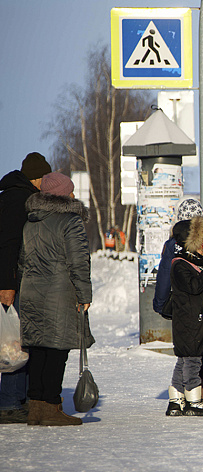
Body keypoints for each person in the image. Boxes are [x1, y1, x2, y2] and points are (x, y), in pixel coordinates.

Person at [18, 172, 92, 426]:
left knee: (38, 348)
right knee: (57, 349)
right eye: (70, 190)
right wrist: (84, 294)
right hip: (59, 293)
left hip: (31, 292)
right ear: (63, 193)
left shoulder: (30, 221)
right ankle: (51, 405)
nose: (73, 194)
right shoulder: (70, 222)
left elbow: (21, 262)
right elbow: (79, 261)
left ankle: (36, 407)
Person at [154, 198, 203, 408]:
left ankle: (190, 395)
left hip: (186, 306)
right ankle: (199, 393)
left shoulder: (173, 245)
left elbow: (165, 276)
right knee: (196, 350)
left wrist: (161, 304)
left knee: (189, 351)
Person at [0, 152, 51, 424]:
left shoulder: (19, 195)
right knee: (15, 344)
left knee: (22, 341)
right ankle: (9, 402)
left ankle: (19, 398)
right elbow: (8, 245)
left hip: (20, 281)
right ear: (38, 177)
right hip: (13, 283)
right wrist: (6, 285)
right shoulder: (17, 199)